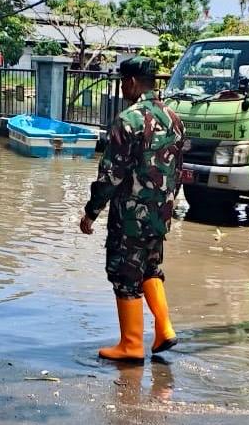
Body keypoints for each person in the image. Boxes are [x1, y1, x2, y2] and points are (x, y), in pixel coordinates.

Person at [79, 56, 187, 361]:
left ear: (131, 82)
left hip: (130, 218)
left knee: (124, 274)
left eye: (123, 83)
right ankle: (164, 330)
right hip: (159, 216)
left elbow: (111, 174)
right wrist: (167, 207)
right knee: (150, 268)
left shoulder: (129, 120)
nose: (122, 88)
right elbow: (179, 172)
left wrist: (91, 212)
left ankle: (131, 344)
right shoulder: (174, 120)